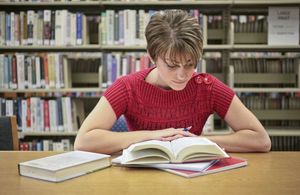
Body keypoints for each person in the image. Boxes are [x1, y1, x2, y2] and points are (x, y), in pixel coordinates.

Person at [74, 10, 271, 154]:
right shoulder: (127, 87)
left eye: (190, 64)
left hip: (192, 178)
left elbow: (261, 140)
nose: (182, 74)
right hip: (140, 179)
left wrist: (199, 141)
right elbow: (83, 141)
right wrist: (154, 136)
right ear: (152, 56)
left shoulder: (207, 87)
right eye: (171, 65)